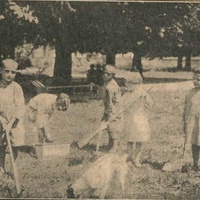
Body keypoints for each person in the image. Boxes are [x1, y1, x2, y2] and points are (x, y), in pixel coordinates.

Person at [0, 59, 25, 174]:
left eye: (13, 72)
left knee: (15, 143)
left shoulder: (16, 87)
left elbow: (20, 107)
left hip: (14, 121)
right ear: (1, 70)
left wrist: (10, 124)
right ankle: (1, 168)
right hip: (1, 119)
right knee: (1, 144)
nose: (10, 75)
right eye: (7, 71)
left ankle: (12, 168)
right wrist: (2, 120)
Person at [122, 73, 153, 167]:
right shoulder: (127, 94)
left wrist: (145, 98)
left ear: (136, 84)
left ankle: (137, 159)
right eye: (126, 82)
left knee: (139, 140)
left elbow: (150, 103)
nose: (126, 85)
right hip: (129, 120)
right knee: (130, 140)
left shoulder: (141, 93)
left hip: (140, 120)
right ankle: (130, 158)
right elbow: (121, 105)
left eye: (129, 83)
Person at [100, 65, 124, 152]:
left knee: (112, 127)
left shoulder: (111, 87)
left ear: (113, 75)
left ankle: (115, 145)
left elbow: (110, 102)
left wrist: (106, 113)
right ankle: (110, 143)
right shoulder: (106, 83)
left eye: (108, 74)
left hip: (114, 109)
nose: (105, 75)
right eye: (104, 73)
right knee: (108, 126)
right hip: (109, 107)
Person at [183, 68, 200, 171]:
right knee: (194, 141)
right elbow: (186, 108)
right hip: (193, 122)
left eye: (198, 79)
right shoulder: (190, 93)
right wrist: (184, 120)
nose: (195, 81)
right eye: (193, 78)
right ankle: (195, 163)